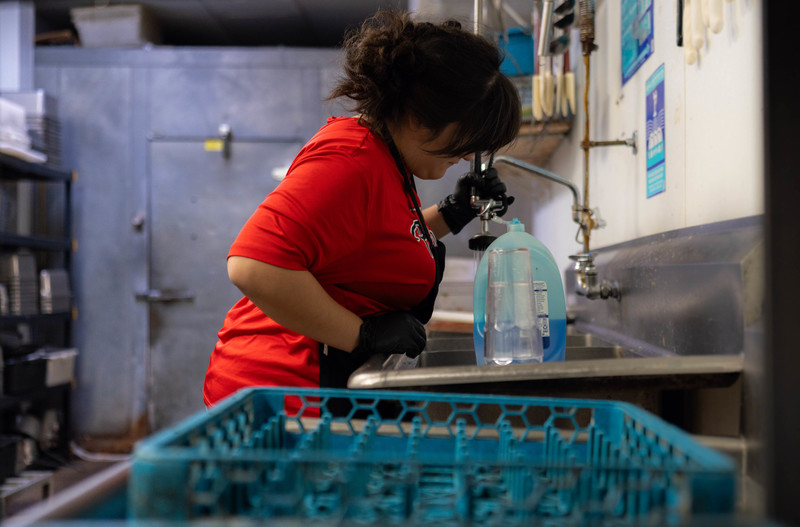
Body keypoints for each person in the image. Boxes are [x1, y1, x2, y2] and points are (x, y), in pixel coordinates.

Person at [203, 9, 521, 412]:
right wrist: (363, 335)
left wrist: (452, 212)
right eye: (468, 137)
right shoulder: (353, 159)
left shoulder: (385, 160)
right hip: (286, 393)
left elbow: (374, 242)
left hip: (317, 388)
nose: (467, 154)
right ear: (418, 114)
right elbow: (253, 265)